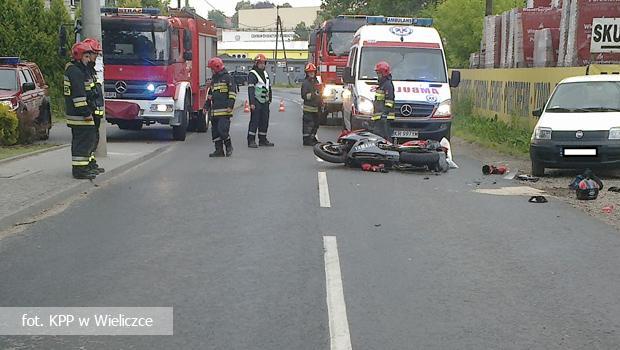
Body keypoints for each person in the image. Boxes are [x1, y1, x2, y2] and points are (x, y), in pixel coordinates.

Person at [64, 42, 97, 179]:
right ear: (79, 56)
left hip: (78, 114)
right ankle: (80, 170)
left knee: (86, 141)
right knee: (82, 143)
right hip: (79, 115)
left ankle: (84, 167)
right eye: (86, 56)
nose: (89, 59)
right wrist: (86, 112)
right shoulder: (76, 72)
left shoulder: (75, 69)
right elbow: (78, 96)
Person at [82, 38, 105, 174]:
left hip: (94, 111)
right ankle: (85, 166)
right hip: (89, 111)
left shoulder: (91, 70)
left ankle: (91, 163)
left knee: (93, 139)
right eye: (94, 53)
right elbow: (87, 93)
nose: (96, 56)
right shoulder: (83, 71)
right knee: (88, 140)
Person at [206, 57, 236, 157]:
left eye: (212, 69)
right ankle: (219, 150)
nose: (211, 71)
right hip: (214, 111)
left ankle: (228, 147)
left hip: (224, 111)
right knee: (215, 133)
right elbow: (210, 95)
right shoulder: (214, 80)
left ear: (217, 67)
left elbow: (232, 93)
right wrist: (206, 106)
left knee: (222, 130)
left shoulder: (228, 78)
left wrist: (230, 106)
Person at [247, 54, 274, 148]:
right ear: (256, 63)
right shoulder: (253, 74)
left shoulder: (265, 73)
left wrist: (270, 98)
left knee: (264, 120)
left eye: (264, 63)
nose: (263, 65)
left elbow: (268, 86)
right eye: (261, 63)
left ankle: (263, 139)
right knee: (255, 120)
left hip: (265, 101)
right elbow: (251, 89)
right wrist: (252, 103)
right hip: (256, 101)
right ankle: (251, 140)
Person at [372, 61, 395, 138]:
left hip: (384, 118)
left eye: (379, 73)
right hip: (380, 117)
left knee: (385, 137)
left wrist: (384, 114)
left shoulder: (387, 85)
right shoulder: (382, 84)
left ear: (383, 73)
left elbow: (389, 101)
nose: (378, 75)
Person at [301, 63, 321, 146]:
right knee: (308, 125)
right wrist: (314, 94)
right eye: (310, 72)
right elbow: (304, 96)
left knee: (316, 124)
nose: (311, 73)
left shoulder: (316, 81)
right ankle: (306, 140)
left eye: (313, 72)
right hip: (308, 108)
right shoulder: (306, 83)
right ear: (307, 73)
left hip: (316, 107)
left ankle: (312, 138)